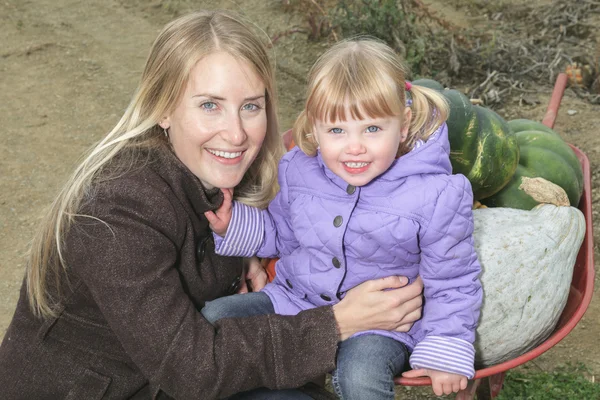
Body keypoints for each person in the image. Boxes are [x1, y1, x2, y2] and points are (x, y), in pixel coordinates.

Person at [0, 11, 425, 400]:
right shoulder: (118, 211)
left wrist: (240, 258)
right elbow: (194, 370)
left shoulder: (219, 176)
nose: (236, 134)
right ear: (163, 108)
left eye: (250, 107)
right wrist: (337, 323)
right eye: (210, 105)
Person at [202, 38, 483, 399]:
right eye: (337, 130)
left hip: (382, 324)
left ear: (404, 122)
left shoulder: (437, 194)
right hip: (295, 301)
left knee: (359, 376)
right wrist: (234, 224)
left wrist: (447, 343)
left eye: (372, 129)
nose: (355, 147)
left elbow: (453, 278)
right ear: (314, 128)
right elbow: (284, 233)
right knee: (214, 317)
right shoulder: (298, 170)